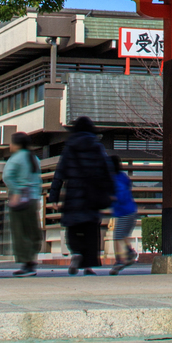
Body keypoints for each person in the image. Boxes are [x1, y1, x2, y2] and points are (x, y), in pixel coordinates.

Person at [48, 115, 116, 274]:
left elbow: (60, 172)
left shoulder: (69, 148)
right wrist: (111, 191)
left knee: (72, 226)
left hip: (73, 192)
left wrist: (54, 196)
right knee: (91, 229)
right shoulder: (97, 147)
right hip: (92, 193)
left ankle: (76, 252)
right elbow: (107, 170)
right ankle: (88, 265)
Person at [3, 131, 43, 276]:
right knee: (32, 230)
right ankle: (31, 261)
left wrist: (16, 190)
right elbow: (38, 180)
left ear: (17, 144)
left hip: (19, 200)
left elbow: (7, 176)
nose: (10, 146)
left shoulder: (16, 159)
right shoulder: (34, 158)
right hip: (32, 199)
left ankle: (26, 263)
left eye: (11, 143)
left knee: (20, 231)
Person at [108, 155, 139, 274]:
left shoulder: (115, 179)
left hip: (124, 212)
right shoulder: (123, 176)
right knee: (123, 234)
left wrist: (111, 197)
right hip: (131, 211)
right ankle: (129, 252)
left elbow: (120, 194)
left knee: (117, 236)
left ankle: (120, 260)